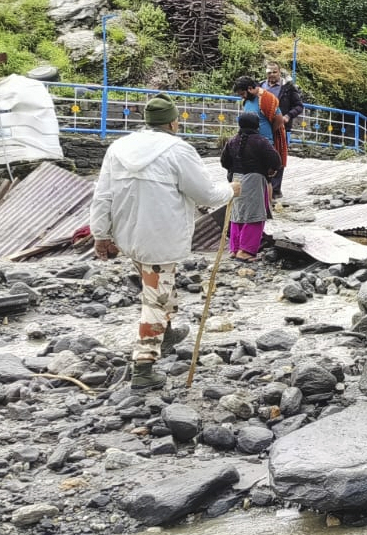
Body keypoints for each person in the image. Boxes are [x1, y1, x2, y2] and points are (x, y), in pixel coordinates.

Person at [90, 95, 240, 390]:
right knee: (156, 298)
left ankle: (166, 334)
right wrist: (231, 190)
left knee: (157, 285)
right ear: (173, 122)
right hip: (160, 236)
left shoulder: (118, 148)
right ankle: (143, 368)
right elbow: (206, 194)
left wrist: (101, 235)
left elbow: (102, 195)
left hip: (128, 234)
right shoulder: (178, 150)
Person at [220, 112, 279, 261]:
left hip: (236, 180)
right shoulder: (261, 141)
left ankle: (234, 249)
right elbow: (275, 161)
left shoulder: (232, 141)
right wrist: (270, 170)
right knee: (255, 216)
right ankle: (245, 251)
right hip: (254, 180)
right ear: (257, 125)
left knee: (237, 214)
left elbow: (224, 162)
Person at [233, 76, 288, 187]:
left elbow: (279, 120)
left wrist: (268, 132)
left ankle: (268, 197)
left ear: (250, 88)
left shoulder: (266, 99)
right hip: (249, 143)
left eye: (242, 93)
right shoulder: (247, 100)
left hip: (265, 143)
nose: (242, 97)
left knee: (266, 178)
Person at [261, 61, 305, 198]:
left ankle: (275, 190)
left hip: (282, 128)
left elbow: (299, 106)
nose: (272, 74)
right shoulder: (260, 86)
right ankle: (264, 188)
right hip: (263, 127)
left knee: (278, 157)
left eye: (275, 72)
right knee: (262, 156)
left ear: (279, 72)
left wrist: (288, 116)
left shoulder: (288, 88)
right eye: (269, 72)